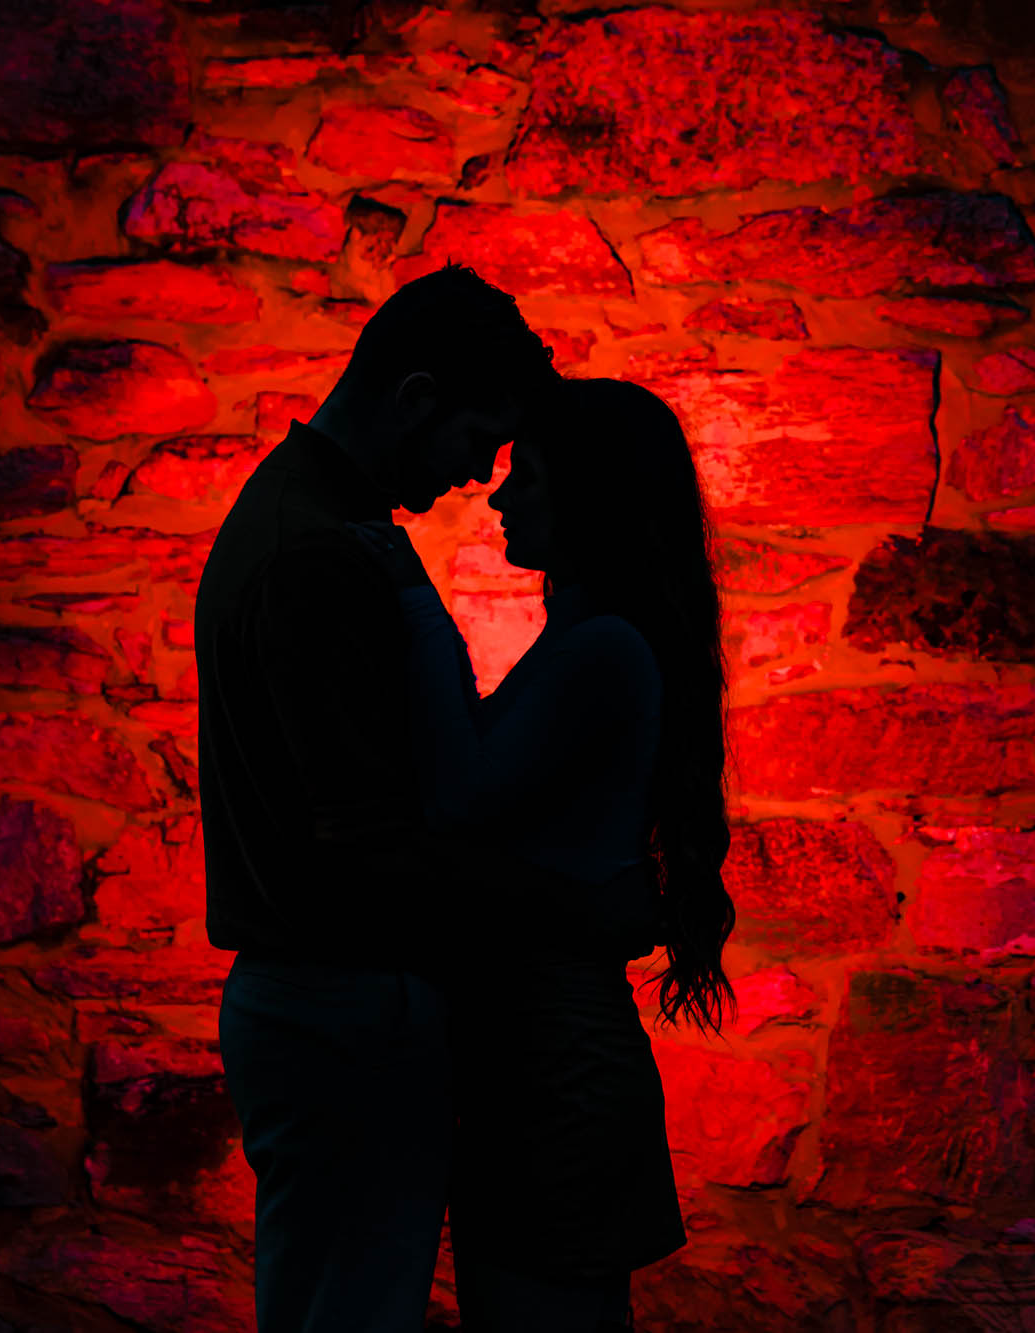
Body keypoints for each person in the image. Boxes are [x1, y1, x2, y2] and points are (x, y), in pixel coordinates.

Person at [197, 263, 658, 1332]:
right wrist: (580, 909)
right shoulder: (325, 555)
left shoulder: (308, 527)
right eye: (472, 442)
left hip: (332, 1001)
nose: (472, 479)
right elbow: (376, 844)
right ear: (412, 400)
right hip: (345, 999)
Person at [348, 377, 738, 1331]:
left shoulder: (601, 649)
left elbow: (458, 796)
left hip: (552, 1069)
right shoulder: (588, 644)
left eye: (530, 476)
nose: (501, 495)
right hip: (537, 1059)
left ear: (588, 496)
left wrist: (411, 600)